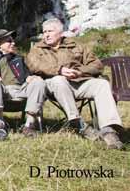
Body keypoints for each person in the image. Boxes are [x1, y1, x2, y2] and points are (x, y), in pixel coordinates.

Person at [26, 18, 124, 149]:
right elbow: (34, 65)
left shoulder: (76, 46)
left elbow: (97, 65)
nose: (46, 35)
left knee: (102, 84)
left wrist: (79, 71)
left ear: (60, 33)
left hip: (79, 82)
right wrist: (59, 70)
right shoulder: (37, 49)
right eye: (44, 32)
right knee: (59, 80)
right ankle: (77, 123)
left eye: (50, 31)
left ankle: (109, 130)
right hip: (53, 86)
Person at [0, 29, 46, 136]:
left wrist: (29, 77)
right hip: (1, 90)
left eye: (13, 40)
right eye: (9, 41)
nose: (13, 43)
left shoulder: (18, 58)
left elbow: (26, 75)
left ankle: (29, 125)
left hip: (20, 90)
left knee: (38, 82)